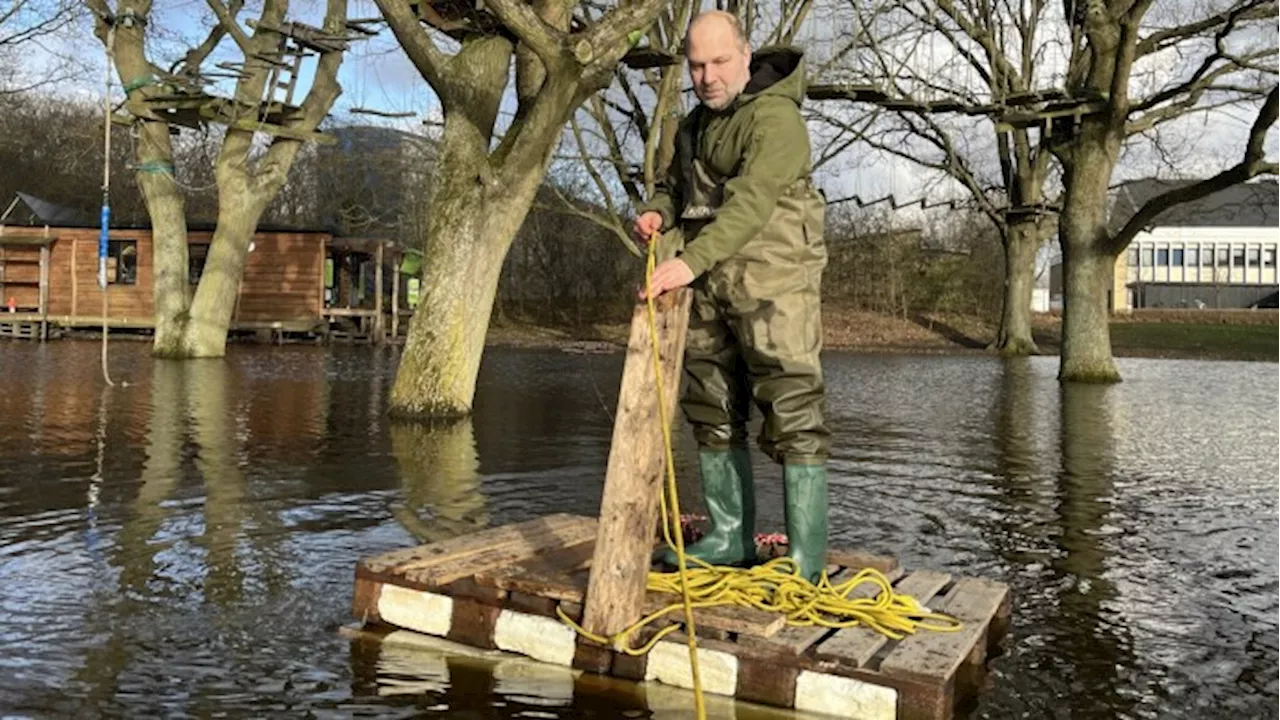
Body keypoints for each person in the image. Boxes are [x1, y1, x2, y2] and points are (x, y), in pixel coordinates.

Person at [633, 10, 830, 583]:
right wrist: (656, 212)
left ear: (746, 56)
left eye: (719, 61)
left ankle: (805, 561)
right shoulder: (694, 123)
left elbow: (749, 204)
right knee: (711, 407)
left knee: (793, 409)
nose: (707, 75)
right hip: (710, 287)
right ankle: (727, 538)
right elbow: (673, 187)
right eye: (696, 65)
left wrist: (685, 262)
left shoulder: (777, 120)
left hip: (775, 287)